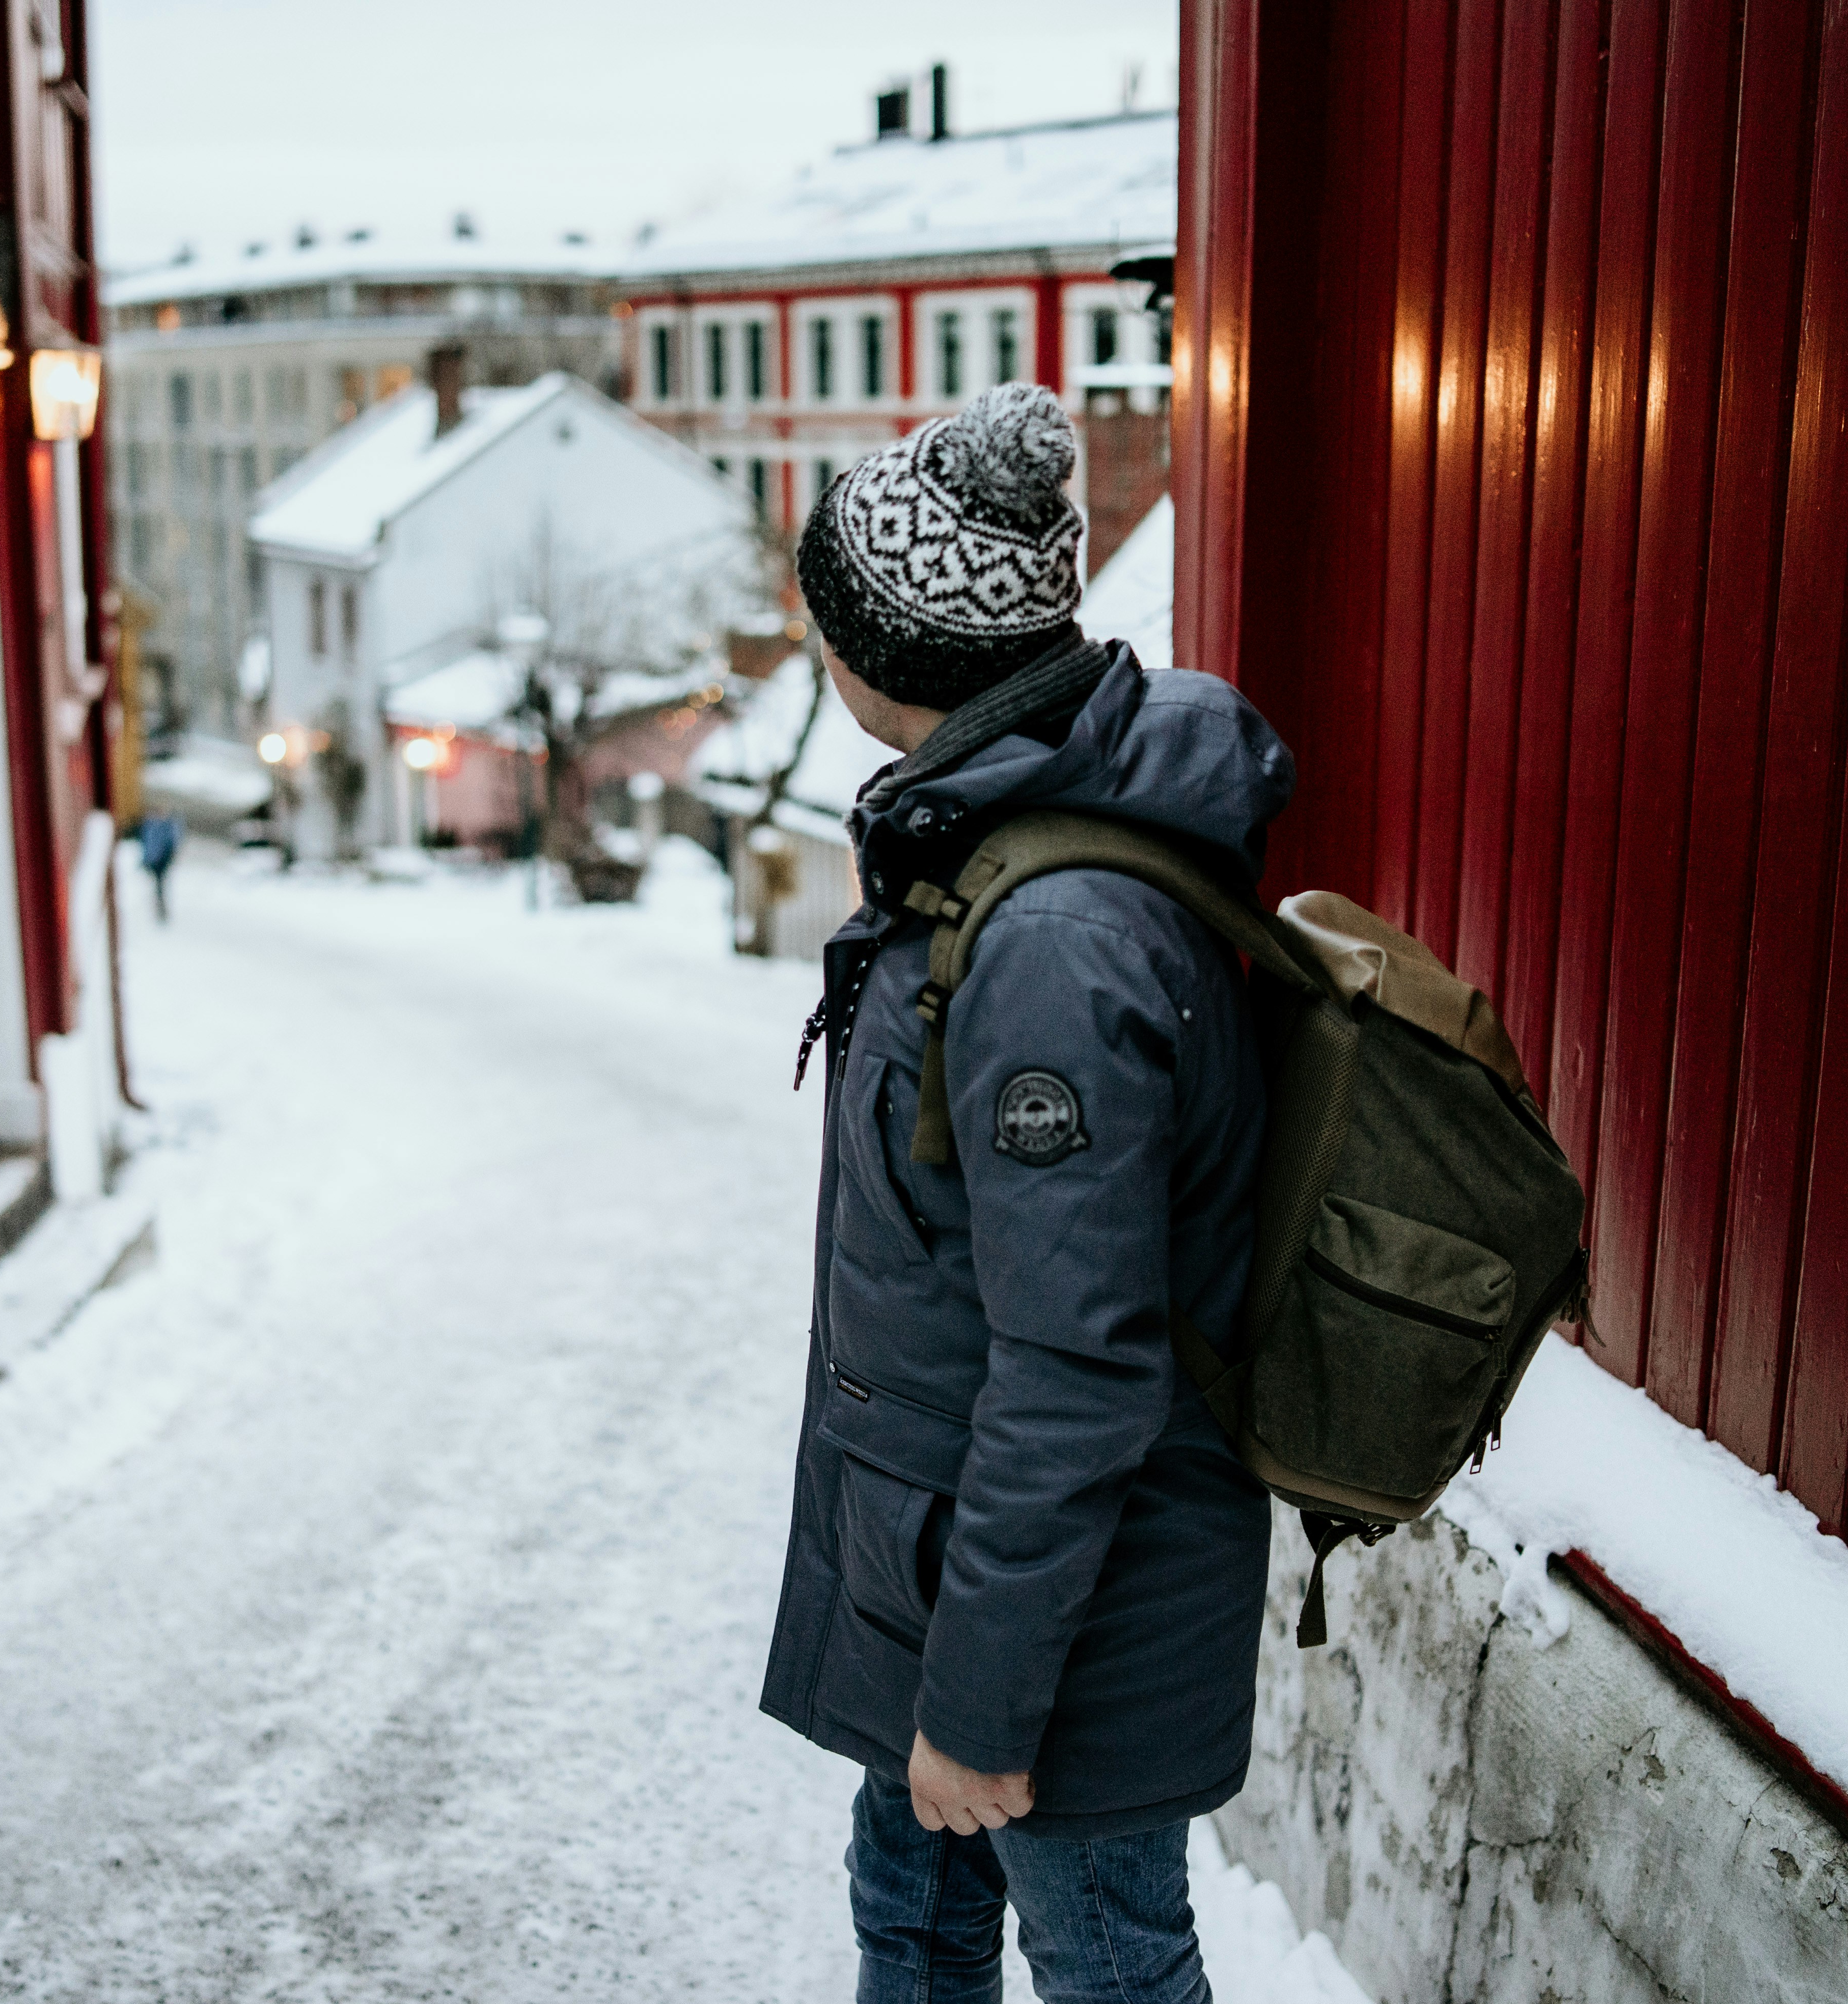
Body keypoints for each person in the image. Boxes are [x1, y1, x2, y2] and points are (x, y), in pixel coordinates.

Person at [763, 383, 1293, 2004]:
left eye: (827, 620)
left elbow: (1079, 1375)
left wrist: (979, 1710)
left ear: (899, 657)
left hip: (1054, 1635)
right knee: (913, 1922)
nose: (814, 649)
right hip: (956, 1580)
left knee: (1108, 1969)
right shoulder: (987, 839)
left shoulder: (1054, 945)